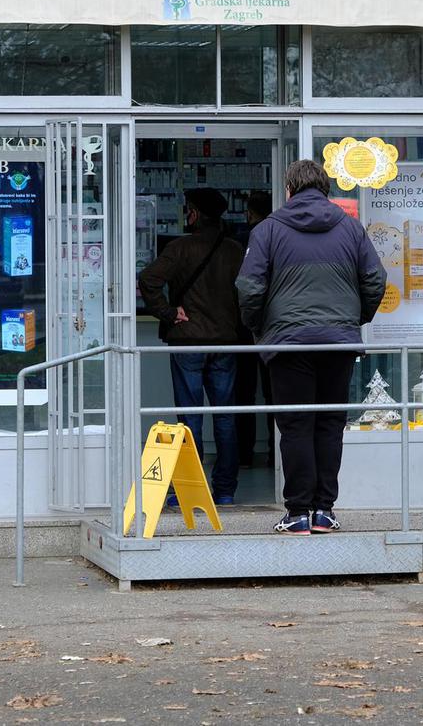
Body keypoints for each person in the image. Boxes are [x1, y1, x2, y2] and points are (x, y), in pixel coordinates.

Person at [236, 161, 386, 535]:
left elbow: (249, 287)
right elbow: (375, 279)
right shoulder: (351, 228)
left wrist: (261, 327)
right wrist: (353, 320)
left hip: (288, 344)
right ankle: (324, 511)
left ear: (289, 189)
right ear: (324, 188)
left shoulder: (268, 230)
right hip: (338, 342)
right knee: (331, 424)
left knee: (295, 425)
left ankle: (298, 511)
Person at [137, 188, 244, 505]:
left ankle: (189, 489)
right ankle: (225, 490)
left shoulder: (179, 248)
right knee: (225, 417)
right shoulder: (235, 250)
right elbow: (253, 289)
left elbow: (148, 279)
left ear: (195, 214)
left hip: (188, 342)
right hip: (226, 342)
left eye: (188, 209)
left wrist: (168, 312)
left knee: (190, 418)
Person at [234, 192, 275, 469]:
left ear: (250, 213)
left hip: (246, 328)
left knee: (244, 395)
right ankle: (276, 455)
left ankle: (244, 455)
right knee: (275, 395)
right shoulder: (280, 237)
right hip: (275, 328)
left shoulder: (246, 240)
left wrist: (249, 322)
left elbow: (247, 288)